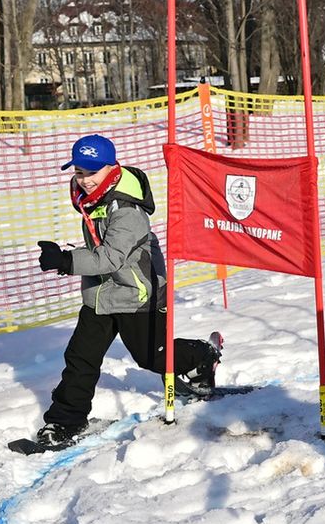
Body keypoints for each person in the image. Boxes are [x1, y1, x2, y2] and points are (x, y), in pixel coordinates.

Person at [32, 134, 223, 447]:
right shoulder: (92, 199)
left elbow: (110, 256)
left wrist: (66, 260)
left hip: (138, 294)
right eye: (79, 172)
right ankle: (64, 422)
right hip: (101, 294)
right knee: (81, 359)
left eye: (92, 172)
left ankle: (204, 355)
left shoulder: (128, 210)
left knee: (154, 357)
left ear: (112, 168)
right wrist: (68, 254)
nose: (85, 180)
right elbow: (101, 247)